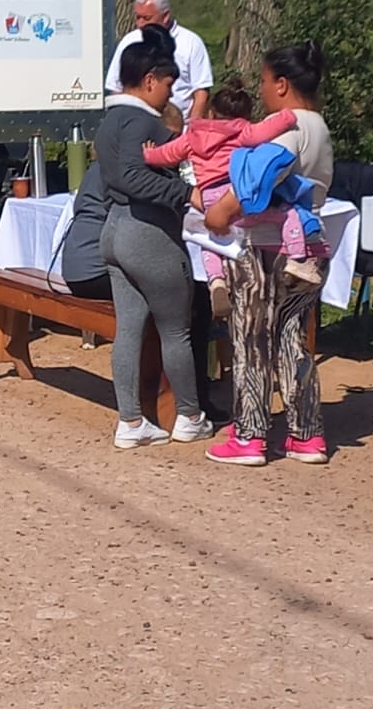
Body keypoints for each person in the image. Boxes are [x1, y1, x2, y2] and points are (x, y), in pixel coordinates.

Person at [203, 41, 334, 467]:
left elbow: (257, 180)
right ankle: (306, 434)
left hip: (266, 249)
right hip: (310, 247)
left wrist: (220, 212)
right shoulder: (319, 127)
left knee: (251, 337)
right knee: (293, 340)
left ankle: (250, 434)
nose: (260, 91)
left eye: (262, 81)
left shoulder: (288, 126)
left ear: (281, 85)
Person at [96, 25, 214, 449]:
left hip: (114, 230)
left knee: (128, 329)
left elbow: (120, 176)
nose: (170, 93)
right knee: (175, 331)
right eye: (167, 84)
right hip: (148, 233)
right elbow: (134, 176)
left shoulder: (109, 120)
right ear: (149, 81)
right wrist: (186, 194)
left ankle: (131, 422)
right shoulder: (142, 121)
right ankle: (189, 415)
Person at [143, 79, 306, 318]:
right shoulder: (242, 131)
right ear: (245, 115)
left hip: (208, 200)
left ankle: (216, 281)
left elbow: (166, 155)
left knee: (209, 240)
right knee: (287, 214)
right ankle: (297, 260)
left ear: (211, 112)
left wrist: (148, 154)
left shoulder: (192, 137)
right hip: (235, 198)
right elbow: (269, 129)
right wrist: (289, 116)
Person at [105, 0, 213, 123]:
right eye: (137, 17)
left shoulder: (191, 42)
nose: (140, 24)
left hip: (179, 127)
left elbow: (201, 92)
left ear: (165, 16)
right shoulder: (129, 41)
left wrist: (192, 129)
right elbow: (116, 87)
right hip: (137, 124)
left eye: (146, 18)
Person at [60, 162, 112, 300]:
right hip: (96, 276)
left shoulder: (94, 169)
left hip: (72, 273)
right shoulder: (123, 171)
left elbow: (77, 206)